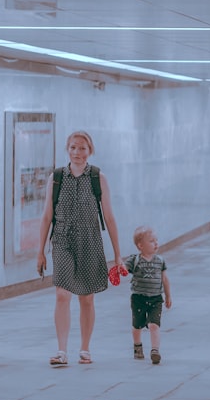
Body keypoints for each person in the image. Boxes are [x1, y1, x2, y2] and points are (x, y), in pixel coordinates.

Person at [37, 130, 123, 367]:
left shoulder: (98, 178)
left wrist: (117, 254)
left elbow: (110, 217)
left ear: (90, 151)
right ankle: (61, 350)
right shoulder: (56, 178)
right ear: (68, 149)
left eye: (82, 148)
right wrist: (40, 250)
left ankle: (84, 349)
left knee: (86, 297)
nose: (77, 152)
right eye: (73, 147)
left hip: (90, 240)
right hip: (62, 240)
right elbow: (46, 217)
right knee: (62, 294)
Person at [124, 226, 172, 365]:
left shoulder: (160, 261)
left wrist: (168, 296)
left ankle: (155, 350)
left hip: (156, 298)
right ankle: (137, 345)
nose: (156, 243)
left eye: (156, 240)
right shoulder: (134, 260)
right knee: (137, 325)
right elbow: (124, 271)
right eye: (151, 241)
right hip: (138, 298)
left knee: (154, 325)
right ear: (140, 245)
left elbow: (165, 279)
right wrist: (120, 269)